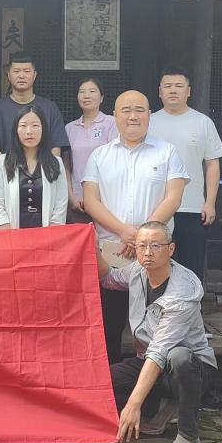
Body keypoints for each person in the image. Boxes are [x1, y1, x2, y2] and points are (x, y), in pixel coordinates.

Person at [83, 90, 189, 363]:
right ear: (115, 116)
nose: (133, 116)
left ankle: (158, 384)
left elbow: (174, 197)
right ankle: (113, 383)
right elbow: (90, 200)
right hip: (112, 254)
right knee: (109, 326)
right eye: (126, 110)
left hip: (155, 253)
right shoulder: (99, 155)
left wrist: (143, 237)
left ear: (149, 115)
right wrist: (123, 231)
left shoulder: (167, 152)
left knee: (160, 326)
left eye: (140, 110)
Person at [98, 221, 216, 443]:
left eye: (155, 246)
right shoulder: (137, 271)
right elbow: (109, 278)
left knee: (179, 356)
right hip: (148, 361)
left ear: (171, 249)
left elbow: (159, 352)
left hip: (189, 368)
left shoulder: (183, 290)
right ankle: (161, 408)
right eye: (141, 246)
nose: (148, 252)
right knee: (100, 384)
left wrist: (134, 404)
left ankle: (188, 436)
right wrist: (92, 247)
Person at [147, 67, 222, 284]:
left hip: (192, 207)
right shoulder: (149, 122)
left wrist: (210, 202)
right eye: (167, 86)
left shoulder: (203, 122)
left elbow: (212, 164)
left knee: (192, 265)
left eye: (179, 86)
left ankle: (192, 305)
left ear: (188, 91)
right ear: (159, 92)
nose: (173, 90)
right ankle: (159, 304)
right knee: (156, 264)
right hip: (155, 207)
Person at [0, 105, 68, 229]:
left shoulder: (56, 163)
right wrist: (5, 229)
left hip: (47, 233)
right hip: (11, 233)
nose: (29, 131)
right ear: (15, 130)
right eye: (23, 126)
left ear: (43, 129)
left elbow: (61, 203)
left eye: (35, 125)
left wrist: (52, 232)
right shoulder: (1, 162)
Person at [0, 52, 71, 162]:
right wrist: (13, 169)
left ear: (34, 75)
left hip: (43, 171)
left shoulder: (50, 108)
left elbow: (56, 150)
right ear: (9, 75)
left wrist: (39, 169)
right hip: (7, 170)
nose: (21, 76)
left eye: (26, 71)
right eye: (16, 71)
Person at [66, 77, 118, 223]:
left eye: (92, 91)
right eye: (82, 91)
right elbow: (66, 167)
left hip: (105, 199)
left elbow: (115, 161)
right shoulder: (69, 128)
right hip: (77, 200)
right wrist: (72, 197)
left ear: (101, 98)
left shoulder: (112, 123)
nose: (86, 95)